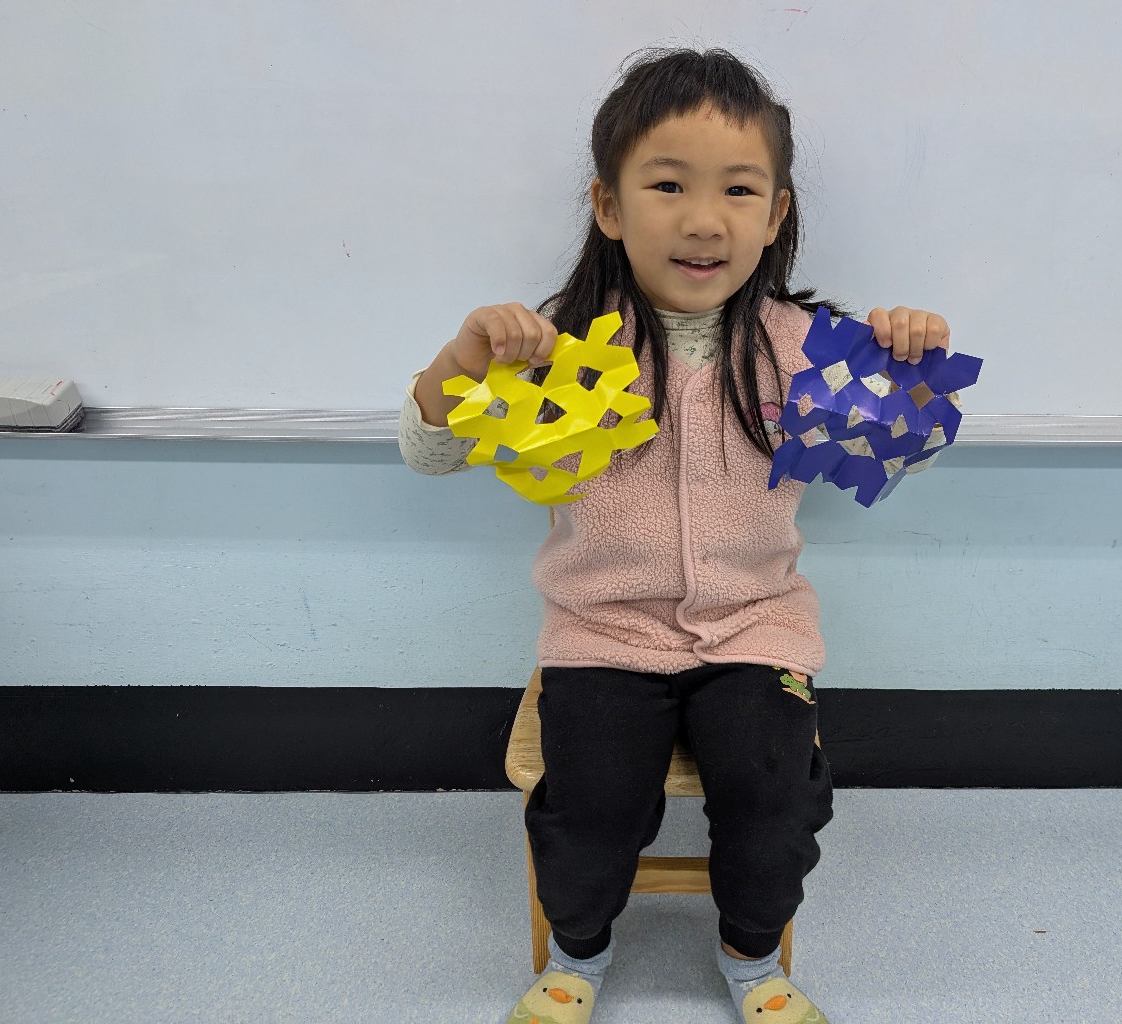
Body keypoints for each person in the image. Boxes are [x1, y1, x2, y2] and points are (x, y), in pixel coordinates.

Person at [400, 47, 952, 1024]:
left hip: (756, 631)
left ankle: (751, 958)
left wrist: (910, 368)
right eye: (667, 185)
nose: (703, 220)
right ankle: (578, 951)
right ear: (608, 206)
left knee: (776, 792)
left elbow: (901, 458)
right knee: (588, 803)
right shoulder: (562, 343)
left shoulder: (805, 348)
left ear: (775, 214)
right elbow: (431, 454)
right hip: (602, 634)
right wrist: (465, 357)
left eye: (739, 189)